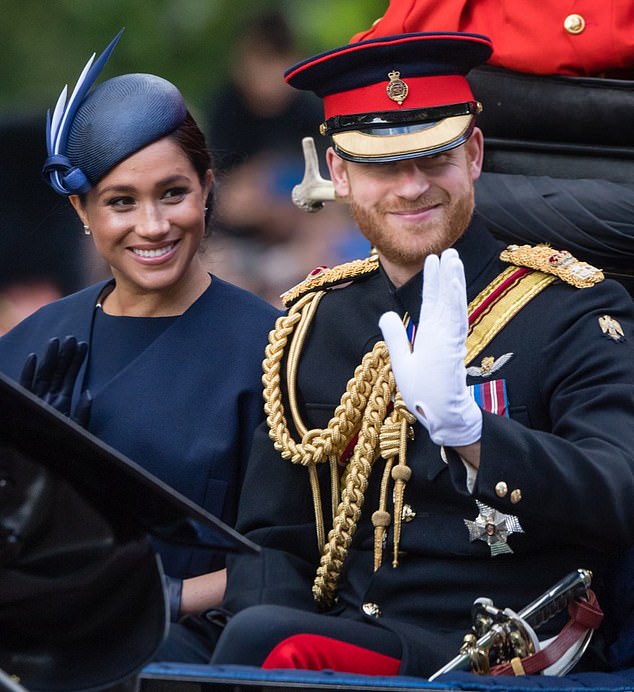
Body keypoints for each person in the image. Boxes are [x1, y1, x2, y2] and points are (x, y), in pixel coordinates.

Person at [186, 31, 634, 678]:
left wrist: (475, 435)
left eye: (435, 159)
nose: (412, 187)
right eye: (381, 165)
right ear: (339, 173)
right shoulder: (313, 322)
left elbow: (619, 491)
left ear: (474, 154)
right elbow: (274, 546)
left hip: (499, 656)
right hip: (345, 645)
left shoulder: (571, 311)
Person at [0, 31, 280, 636]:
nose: (152, 226)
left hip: (191, 646)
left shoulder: (272, 350)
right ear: (82, 212)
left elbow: (294, 560)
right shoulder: (28, 350)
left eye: (173, 193)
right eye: (120, 202)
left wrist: (162, 595)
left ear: (207, 188)